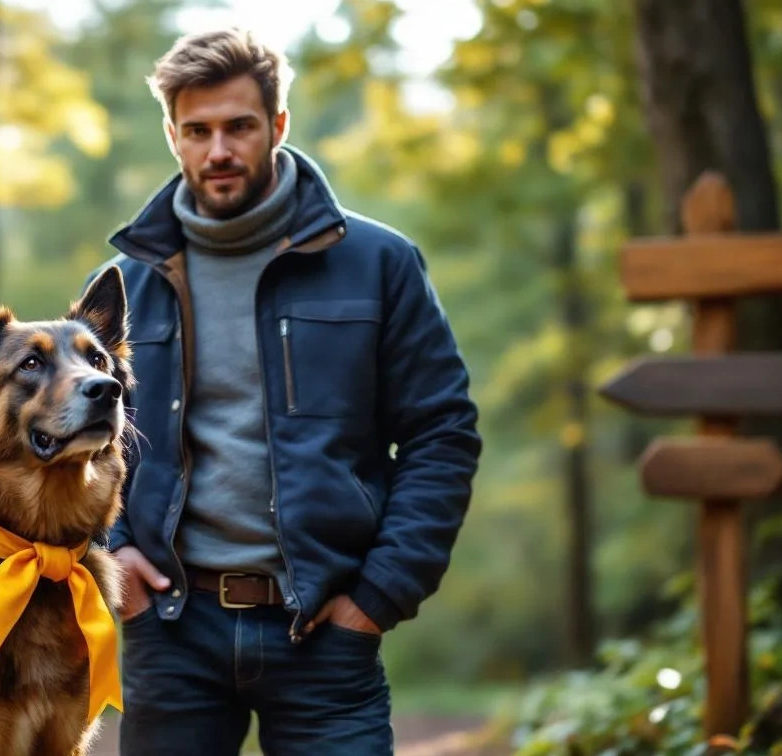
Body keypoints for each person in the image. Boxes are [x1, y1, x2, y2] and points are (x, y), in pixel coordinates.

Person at [85, 27, 482, 755]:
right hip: (171, 631)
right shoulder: (125, 284)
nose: (219, 152)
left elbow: (442, 434)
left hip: (324, 632)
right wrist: (115, 556)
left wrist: (377, 596)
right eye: (197, 131)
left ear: (278, 124)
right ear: (171, 135)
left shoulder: (379, 263)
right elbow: (77, 446)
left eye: (239, 126)